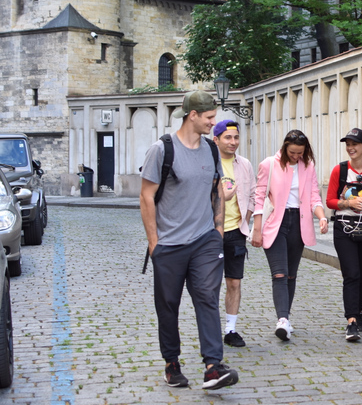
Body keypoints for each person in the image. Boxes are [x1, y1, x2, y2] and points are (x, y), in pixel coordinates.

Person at [139, 90, 239, 390]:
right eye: (209, 117)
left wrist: (217, 231)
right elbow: (146, 196)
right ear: (192, 115)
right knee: (168, 306)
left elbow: (217, 190)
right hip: (169, 244)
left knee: (207, 298)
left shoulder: (211, 150)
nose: (213, 122)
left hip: (205, 241)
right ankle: (172, 364)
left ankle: (212, 366)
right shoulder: (162, 150)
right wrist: (154, 243)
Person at [251, 129, 328, 340]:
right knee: (279, 274)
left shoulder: (308, 166)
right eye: (293, 152)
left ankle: (286, 317)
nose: (296, 156)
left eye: (300, 153)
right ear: (285, 147)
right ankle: (282, 320)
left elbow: (314, 196)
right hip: (276, 223)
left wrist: (321, 217)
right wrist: (257, 229)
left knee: (291, 275)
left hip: (299, 224)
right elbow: (258, 198)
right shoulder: (269, 164)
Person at [326, 128, 362, 342]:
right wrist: (349, 203)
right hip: (344, 227)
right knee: (351, 273)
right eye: (348, 144)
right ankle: (351, 321)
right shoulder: (339, 171)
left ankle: (358, 311)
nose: (350, 148)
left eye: (355, 144)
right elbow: (330, 201)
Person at [213, 120, 256, 348]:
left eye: (236, 137)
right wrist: (221, 197)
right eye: (228, 137)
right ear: (216, 139)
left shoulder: (245, 164)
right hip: (210, 233)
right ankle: (210, 330)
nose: (233, 142)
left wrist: (246, 220)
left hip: (236, 232)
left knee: (234, 282)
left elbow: (252, 195)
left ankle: (231, 330)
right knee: (209, 284)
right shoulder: (208, 163)